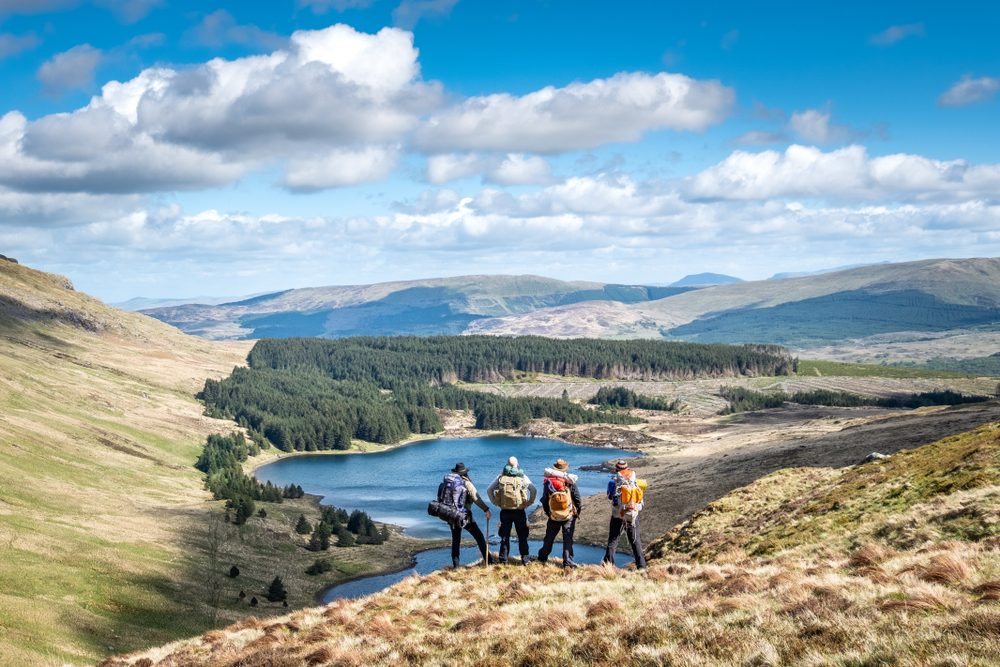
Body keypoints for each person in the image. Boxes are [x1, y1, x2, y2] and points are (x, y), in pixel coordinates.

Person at [487, 456, 538, 565]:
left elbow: (489, 490)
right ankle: (525, 560)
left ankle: (503, 560)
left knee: (505, 537)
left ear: (507, 464)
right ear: (517, 464)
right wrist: (529, 503)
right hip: (520, 510)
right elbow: (533, 490)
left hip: (505, 511)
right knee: (522, 536)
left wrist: (496, 503)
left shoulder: (501, 477)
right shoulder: (522, 476)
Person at [537, 458, 582, 568]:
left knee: (549, 538)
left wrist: (549, 513)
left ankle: (542, 557)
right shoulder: (569, 481)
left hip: (553, 516)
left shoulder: (548, 482)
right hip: (568, 515)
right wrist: (577, 512)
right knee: (567, 539)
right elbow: (577, 498)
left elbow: (544, 499)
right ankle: (568, 562)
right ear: (565, 469)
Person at [447, 462, 492, 568]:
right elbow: (476, 498)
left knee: (456, 540)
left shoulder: (449, 482)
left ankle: (456, 566)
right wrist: (486, 509)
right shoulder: (466, 483)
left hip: (451, 515)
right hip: (464, 516)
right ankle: (489, 561)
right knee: (479, 537)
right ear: (465, 473)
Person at [603, 459, 646, 569]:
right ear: (627, 469)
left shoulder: (613, 482)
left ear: (616, 470)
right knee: (635, 541)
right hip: (632, 515)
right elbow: (641, 500)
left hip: (617, 515)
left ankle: (608, 566)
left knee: (613, 540)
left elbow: (609, 496)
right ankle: (641, 566)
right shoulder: (635, 482)